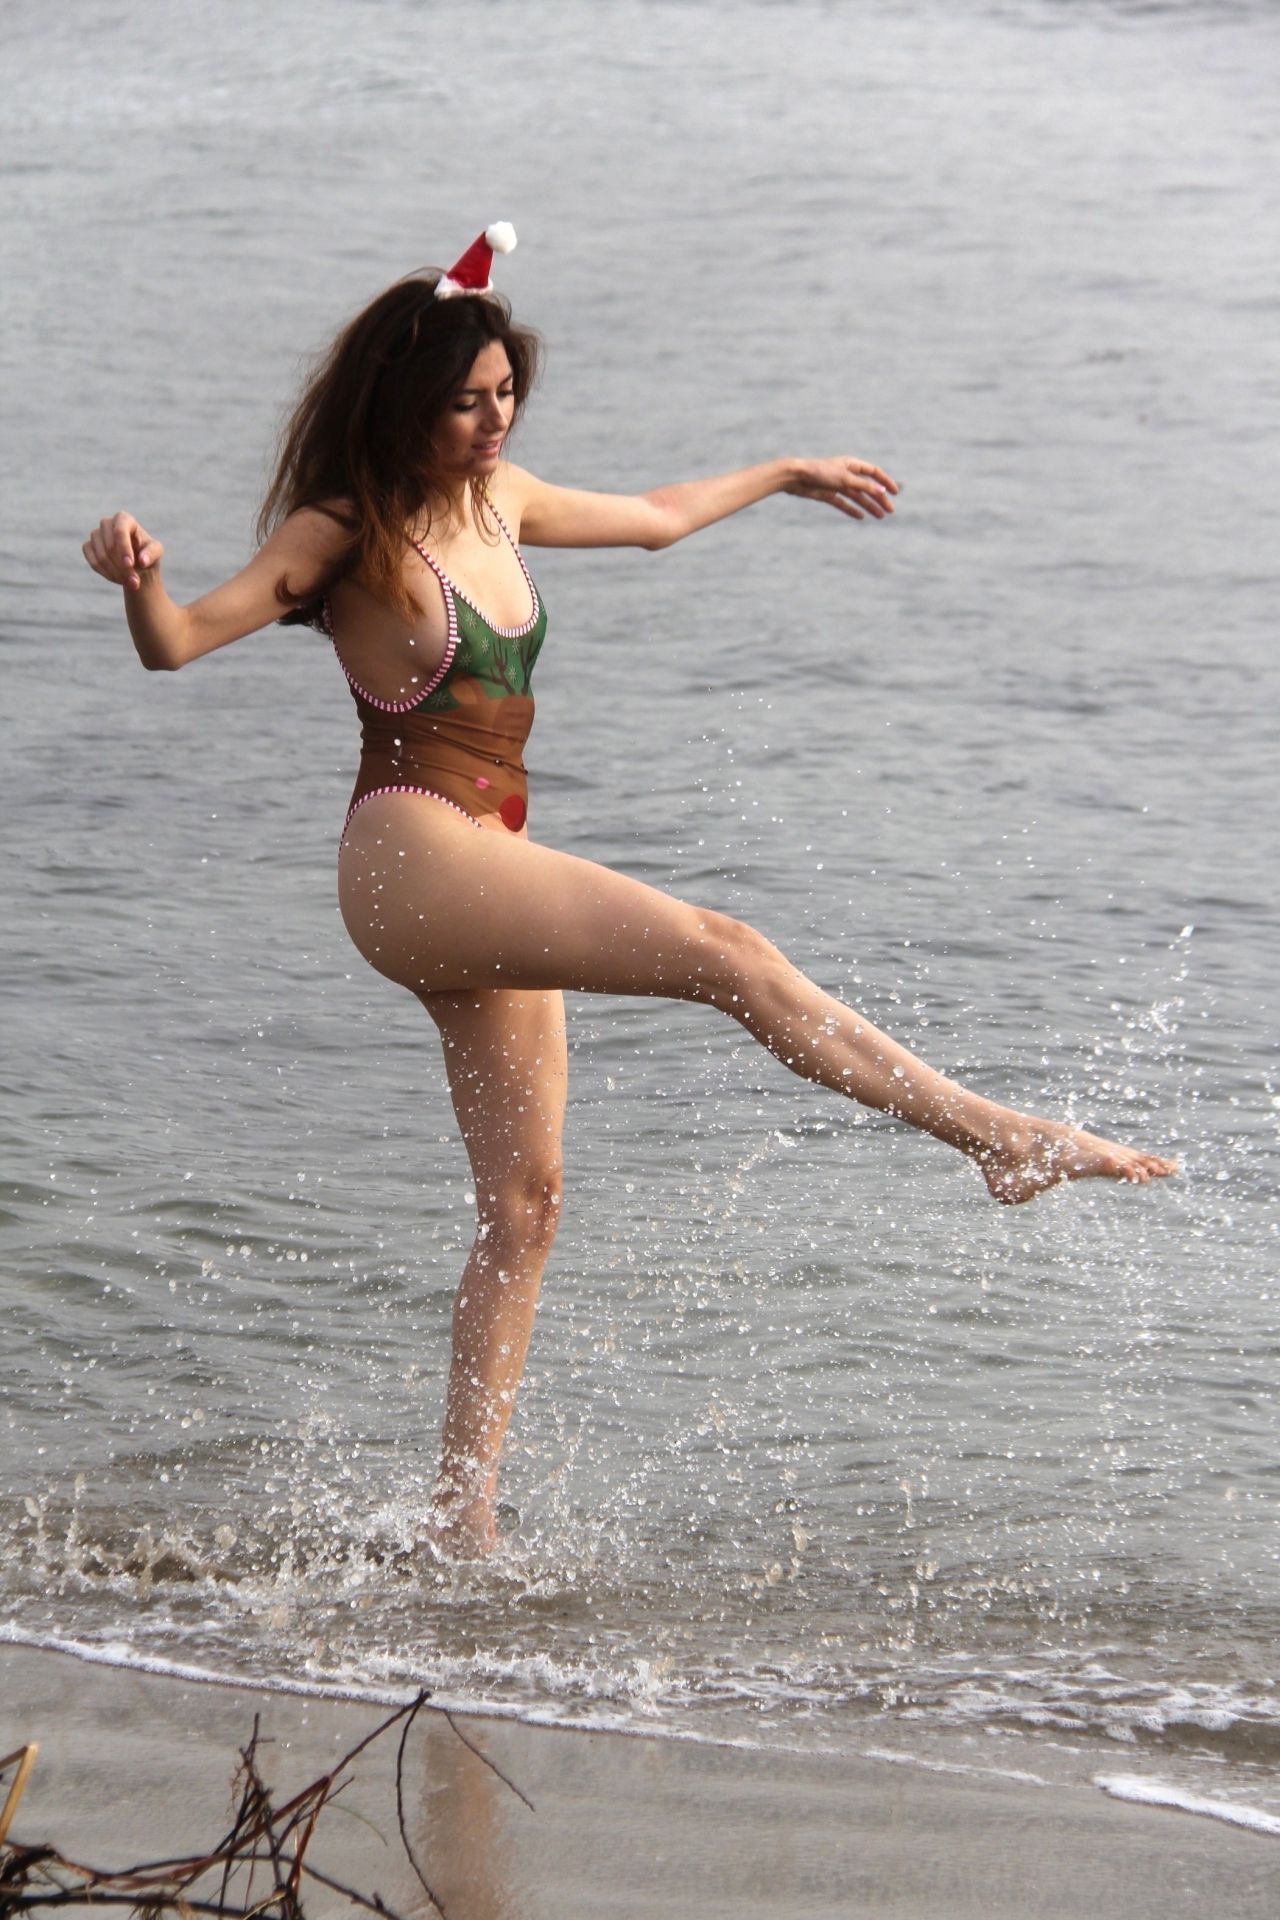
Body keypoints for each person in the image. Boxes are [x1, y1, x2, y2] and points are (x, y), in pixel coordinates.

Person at [82, 223, 1176, 1558]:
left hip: (485, 863)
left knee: (527, 1208)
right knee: (727, 947)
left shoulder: (507, 499)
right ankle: (996, 1134)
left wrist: (782, 471)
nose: (492, 421)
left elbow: (657, 521)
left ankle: (460, 1527)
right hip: (414, 852)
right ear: (405, 404)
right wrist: (140, 581)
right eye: (466, 402)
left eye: (504, 396)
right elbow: (181, 644)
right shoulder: (346, 532)